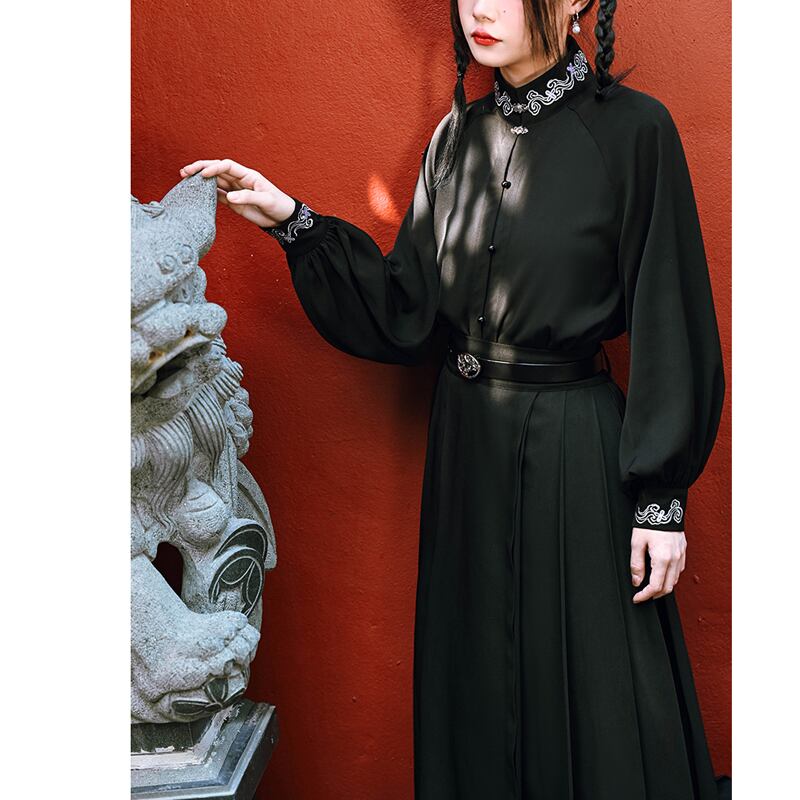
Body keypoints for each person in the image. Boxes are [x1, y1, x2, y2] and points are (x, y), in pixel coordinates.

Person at [181, 0, 727, 797]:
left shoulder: (637, 133)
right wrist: (291, 221)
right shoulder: (457, 139)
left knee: (593, 691)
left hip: (575, 453)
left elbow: (670, 312)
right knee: (477, 686)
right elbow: (408, 310)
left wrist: (661, 501)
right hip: (467, 449)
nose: (479, 7)